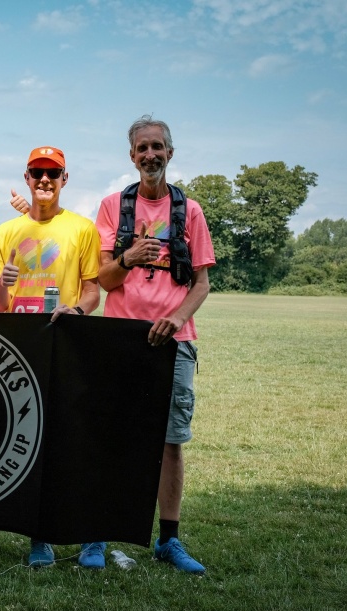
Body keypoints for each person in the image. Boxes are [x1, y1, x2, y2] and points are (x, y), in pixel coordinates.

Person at [88, 115, 215, 574]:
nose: (150, 155)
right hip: (121, 338)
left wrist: (177, 317)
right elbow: (103, 279)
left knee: (170, 442)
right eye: (142, 148)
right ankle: (97, 535)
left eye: (157, 147)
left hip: (174, 341)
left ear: (170, 153)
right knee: (113, 438)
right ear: (131, 156)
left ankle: (169, 540)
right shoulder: (111, 207)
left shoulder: (191, 212)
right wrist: (128, 256)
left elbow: (201, 282)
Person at [0, 146, 101, 567]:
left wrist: (76, 310)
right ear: (26, 177)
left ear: (64, 179)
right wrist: (3, 282)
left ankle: (90, 535)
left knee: (69, 441)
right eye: (37, 173)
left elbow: (93, 289)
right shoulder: (6, 234)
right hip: (19, 349)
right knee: (25, 443)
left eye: (52, 174)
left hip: (65, 344)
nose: (44, 181)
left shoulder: (82, 229)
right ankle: (40, 539)